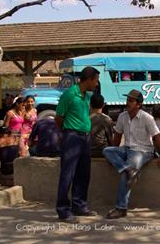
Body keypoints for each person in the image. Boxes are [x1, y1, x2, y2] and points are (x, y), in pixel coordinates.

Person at [103, 89, 160, 219]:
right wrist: (115, 154)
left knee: (125, 175)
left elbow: (158, 137)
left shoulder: (147, 118)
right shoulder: (122, 116)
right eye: (127, 100)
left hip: (143, 151)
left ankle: (121, 208)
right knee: (107, 151)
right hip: (126, 149)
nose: (128, 103)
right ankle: (129, 169)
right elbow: (117, 137)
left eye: (131, 101)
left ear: (139, 104)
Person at [55, 66, 100, 224]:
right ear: (88, 79)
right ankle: (63, 210)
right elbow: (59, 117)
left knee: (83, 173)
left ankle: (79, 205)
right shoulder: (69, 94)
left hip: (85, 137)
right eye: (95, 80)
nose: (96, 83)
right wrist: (66, 133)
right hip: (72, 136)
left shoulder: (86, 96)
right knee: (68, 174)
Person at [89, 94, 113, 158]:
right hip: (102, 151)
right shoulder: (107, 119)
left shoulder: (85, 119)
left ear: (90, 105)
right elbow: (110, 140)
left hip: (88, 151)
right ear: (103, 105)